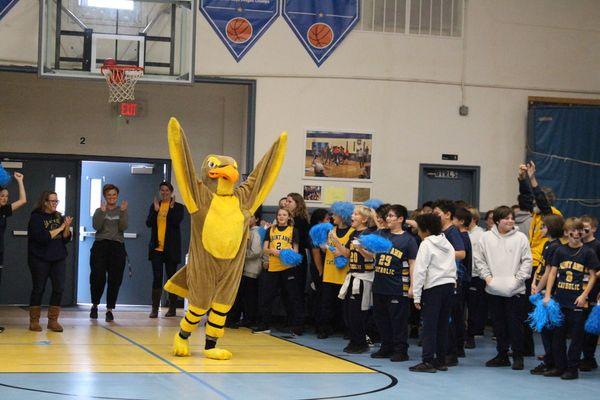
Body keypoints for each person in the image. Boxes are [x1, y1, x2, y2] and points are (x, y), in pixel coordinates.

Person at [474, 206, 532, 371]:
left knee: (515, 324)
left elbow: (527, 261)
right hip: (493, 289)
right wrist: (487, 278)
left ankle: (518, 356)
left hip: (516, 290)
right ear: (497, 220)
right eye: (506, 218)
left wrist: (517, 280)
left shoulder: (521, 238)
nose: (510, 221)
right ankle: (502, 355)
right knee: (498, 324)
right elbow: (479, 260)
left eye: (512, 218)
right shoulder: (485, 238)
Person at [543, 217, 598, 379]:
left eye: (579, 230)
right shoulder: (560, 251)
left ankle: (572, 369)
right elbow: (552, 273)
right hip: (560, 300)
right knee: (557, 336)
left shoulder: (589, 252)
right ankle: (560, 366)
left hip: (578, 302)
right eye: (572, 230)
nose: (576, 233)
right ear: (566, 233)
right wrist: (547, 295)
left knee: (576, 338)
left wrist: (584, 295)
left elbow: (593, 276)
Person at [409, 213, 457, 372]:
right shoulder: (447, 243)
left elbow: (420, 270)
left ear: (426, 230)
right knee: (442, 325)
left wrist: (416, 295)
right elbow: (453, 266)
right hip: (449, 286)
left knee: (429, 326)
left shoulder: (426, 244)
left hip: (434, 288)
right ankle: (441, 360)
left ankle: (428, 361)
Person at [371, 204, 418, 362]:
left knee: (398, 321)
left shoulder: (408, 240)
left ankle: (401, 350)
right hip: (379, 284)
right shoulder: (381, 234)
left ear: (400, 219)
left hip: (397, 286)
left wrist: (413, 286)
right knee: (381, 319)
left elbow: (413, 264)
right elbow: (372, 255)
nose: (388, 219)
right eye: (387, 216)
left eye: (391, 216)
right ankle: (386, 347)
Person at [27, 191, 72, 332]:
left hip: (58, 257)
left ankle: (53, 321)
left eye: (56, 201)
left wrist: (66, 228)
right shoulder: (36, 217)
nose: (55, 204)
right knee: (39, 288)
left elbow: (66, 239)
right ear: (45, 202)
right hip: (40, 258)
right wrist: (59, 228)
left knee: (59, 288)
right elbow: (42, 238)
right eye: (52, 201)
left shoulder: (59, 216)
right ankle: (34, 321)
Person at [253, 207, 303, 335]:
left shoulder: (293, 231)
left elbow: (296, 251)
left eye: (284, 215)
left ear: (288, 217)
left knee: (292, 297)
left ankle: (295, 326)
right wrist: (273, 251)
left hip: (287, 268)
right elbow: (265, 249)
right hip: (273, 267)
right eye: (279, 215)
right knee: (266, 297)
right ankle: (264, 324)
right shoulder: (271, 229)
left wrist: (286, 254)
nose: (281, 217)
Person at [337, 205, 376, 353]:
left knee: (357, 312)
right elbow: (347, 254)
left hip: (363, 277)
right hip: (352, 275)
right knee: (348, 311)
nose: (352, 216)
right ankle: (354, 339)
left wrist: (360, 249)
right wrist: (335, 241)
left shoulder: (369, 235)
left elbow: (373, 256)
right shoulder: (354, 233)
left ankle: (360, 342)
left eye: (356, 214)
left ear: (365, 219)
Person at [529, 214, 565, 375]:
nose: (541, 229)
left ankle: (553, 362)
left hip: (549, 294)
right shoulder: (546, 245)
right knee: (544, 330)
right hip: (540, 289)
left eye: (543, 226)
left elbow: (549, 272)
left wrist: (539, 288)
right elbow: (541, 268)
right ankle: (549, 361)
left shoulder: (556, 247)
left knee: (550, 330)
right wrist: (533, 282)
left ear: (550, 228)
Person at [432, 199, 465, 366]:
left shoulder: (452, 232)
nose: (434, 217)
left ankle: (452, 353)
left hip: (452, 280)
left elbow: (461, 253)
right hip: (440, 279)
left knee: (449, 318)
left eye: (437, 214)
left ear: (447, 215)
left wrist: (442, 254)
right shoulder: (439, 231)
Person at [90, 184, 128, 322]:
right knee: (98, 277)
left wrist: (123, 212)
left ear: (117, 196)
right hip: (100, 246)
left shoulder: (121, 210)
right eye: (109, 195)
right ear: (105, 196)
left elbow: (123, 227)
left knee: (115, 279)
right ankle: (94, 305)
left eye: (114, 195)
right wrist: (102, 212)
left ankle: (109, 310)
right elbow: (96, 226)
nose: (112, 197)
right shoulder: (99, 210)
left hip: (117, 247)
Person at [146, 181, 184, 318]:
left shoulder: (178, 207)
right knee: (157, 278)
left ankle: (172, 308)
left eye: (167, 190)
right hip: (156, 248)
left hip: (171, 249)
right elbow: (148, 223)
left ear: (171, 192)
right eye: (162, 190)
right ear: (159, 192)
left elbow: (175, 222)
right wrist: (156, 212)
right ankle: (154, 309)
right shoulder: (155, 206)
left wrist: (171, 209)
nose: (164, 193)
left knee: (171, 278)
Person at [317, 202, 354, 339]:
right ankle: (324, 329)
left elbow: (351, 253)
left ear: (342, 216)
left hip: (344, 273)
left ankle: (346, 329)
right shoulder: (330, 230)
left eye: (334, 214)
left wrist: (341, 252)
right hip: (329, 271)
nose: (332, 217)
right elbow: (323, 247)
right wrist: (324, 246)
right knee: (326, 303)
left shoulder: (352, 232)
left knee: (345, 304)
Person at [0, 172, 26, 332]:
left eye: (6, 196)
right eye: (2, 196)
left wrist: (20, 181)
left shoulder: (4, 211)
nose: (5, 199)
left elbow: (23, 200)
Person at [229, 208, 264, 328]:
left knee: (249, 296)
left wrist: (240, 254)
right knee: (245, 296)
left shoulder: (255, 233)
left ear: (257, 219)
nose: (247, 219)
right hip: (246, 269)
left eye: (251, 217)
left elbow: (256, 251)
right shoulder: (249, 231)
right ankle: (246, 318)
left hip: (251, 269)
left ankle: (249, 319)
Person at [580, 215, 600, 371]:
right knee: (578, 325)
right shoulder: (577, 245)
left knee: (590, 326)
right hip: (577, 290)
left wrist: (592, 274)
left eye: (586, 227)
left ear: (593, 229)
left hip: (593, 290)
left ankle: (589, 357)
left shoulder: (597, 246)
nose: (582, 230)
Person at [465, 207, 486, 348]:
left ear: (473, 219)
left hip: (476, 276)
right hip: (463, 275)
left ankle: (470, 335)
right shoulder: (461, 233)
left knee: (473, 307)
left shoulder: (481, 235)